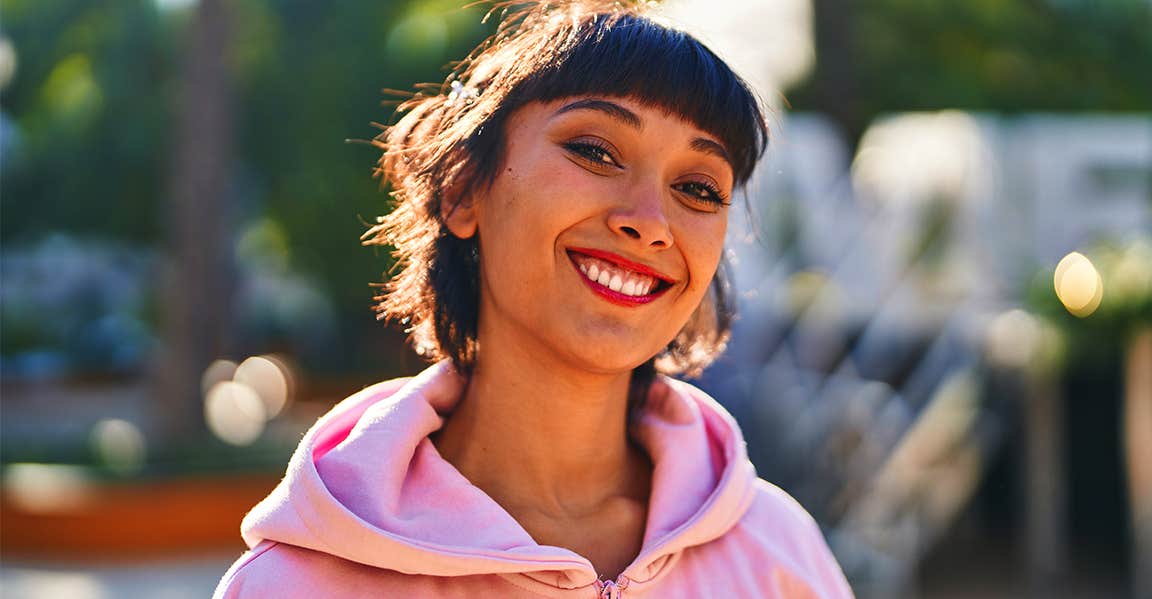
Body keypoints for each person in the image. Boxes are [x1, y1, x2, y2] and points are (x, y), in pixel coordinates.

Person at [213, 1, 854, 597]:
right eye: (596, 150)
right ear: (464, 190)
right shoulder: (295, 582)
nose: (651, 221)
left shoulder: (780, 554)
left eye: (698, 188)